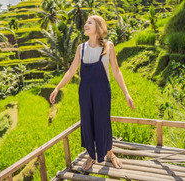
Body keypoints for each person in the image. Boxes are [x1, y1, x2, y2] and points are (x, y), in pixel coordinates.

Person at [49, 15, 135, 171]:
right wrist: (57, 88)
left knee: (103, 122)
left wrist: (126, 93)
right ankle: (91, 156)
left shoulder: (108, 46)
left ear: (98, 27)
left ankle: (110, 152)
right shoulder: (81, 48)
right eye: (86, 22)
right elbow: (71, 71)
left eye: (90, 22)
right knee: (87, 122)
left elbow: (116, 71)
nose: (86, 25)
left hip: (102, 91)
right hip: (85, 92)